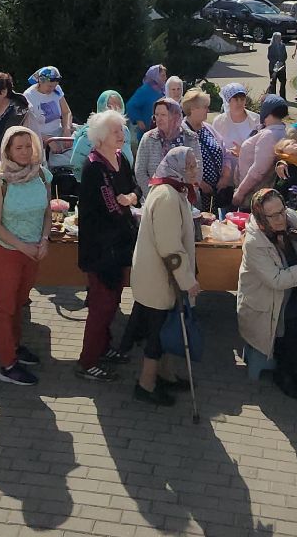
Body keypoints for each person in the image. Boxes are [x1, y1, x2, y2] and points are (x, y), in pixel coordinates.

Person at [238, 186, 297, 399]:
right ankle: (286, 373)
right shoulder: (255, 241)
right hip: (269, 297)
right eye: (273, 216)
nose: (280, 219)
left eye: (281, 211)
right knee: (292, 318)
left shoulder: (291, 218)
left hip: (296, 284)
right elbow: (276, 280)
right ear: (261, 217)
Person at [0, 126, 56, 386]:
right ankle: (7, 364)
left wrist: (44, 239)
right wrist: (23, 246)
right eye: (18, 147)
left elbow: (47, 213)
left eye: (28, 146)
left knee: (20, 302)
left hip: (33, 252)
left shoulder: (43, 176)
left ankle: (15, 346)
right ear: (8, 151)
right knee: (5, 307)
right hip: (8, 253)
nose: (24, 152)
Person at [129, 145, 200, 406]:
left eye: (194, 164)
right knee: (158, 333)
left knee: (168, 326)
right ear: (177, 167)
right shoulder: (168, 196)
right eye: (190, 165)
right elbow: (170, 247)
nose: (195, 169)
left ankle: (166, 374)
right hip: (159, 277)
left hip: (162, 275)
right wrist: (188, 281)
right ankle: (146, 384)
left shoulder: (173, 189)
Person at [75, 110, 139, 381]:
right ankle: (88, 361)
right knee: (101, 305)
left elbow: (135, 188)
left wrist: (133, 197)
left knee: (112, 301)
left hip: (118, 244)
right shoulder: (94, 166)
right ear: (101, 137)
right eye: (116, 131)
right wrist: (126, 203)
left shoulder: (121, 158)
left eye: (121, 130)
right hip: (100, 248)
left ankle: (103, 347)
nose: (121, 135)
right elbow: (110, 204)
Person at [232, 97, 290, 203]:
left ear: (266, 111)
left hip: (253, 194)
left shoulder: (269, 135)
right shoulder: (280, 131)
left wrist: (240, 193)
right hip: (257, 192)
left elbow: (259, 169)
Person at [184, 91, 230, 212]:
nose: (208, 110)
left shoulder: (208, 128)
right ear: (193, 109)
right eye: (205, 107)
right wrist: (200, 183)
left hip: (215, 193)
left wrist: (225, 176)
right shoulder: (182, 132)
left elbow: (225, 152)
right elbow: (181, 164)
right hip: (196, 193)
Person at [134, 97, 195, 188]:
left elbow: (197, 169)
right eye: (156, 115)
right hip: (155, 196)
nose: (159, 119)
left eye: (163, 115)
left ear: (175, 116)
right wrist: (154, 196)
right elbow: (140, 172)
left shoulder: (190, 137)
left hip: (185, 196)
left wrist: (187, 195)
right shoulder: (148, 138)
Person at [69, 90, 130, 177]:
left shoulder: (125, 131)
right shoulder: (90, 132)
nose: (114, 109)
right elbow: (77, 163)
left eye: (118, 105)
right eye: (109, 105)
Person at [267, 34, 289, 100]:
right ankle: (273, 97)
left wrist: (281, 62)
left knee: (283, 81)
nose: (279, 39)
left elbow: (285, 55)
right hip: (273, 68)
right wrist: (276, 63)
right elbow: (269, 57)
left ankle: (282, 97)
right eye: (277, 38)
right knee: (273, 82)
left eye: (279, 37)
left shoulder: (283, 46)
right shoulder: (270, 47)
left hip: (281, 67)